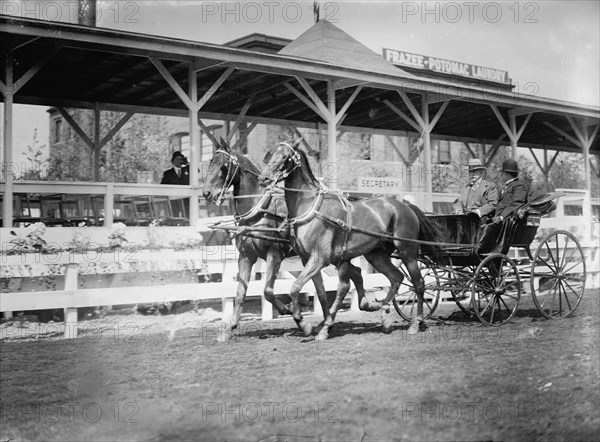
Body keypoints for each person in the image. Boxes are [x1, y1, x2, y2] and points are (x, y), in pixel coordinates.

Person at [478, 159, 529, 253]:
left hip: (507, 220)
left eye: (502, 173)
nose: (500, 175)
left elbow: (517, 203)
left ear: (507, 175)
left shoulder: (519, 186)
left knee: (489, 227)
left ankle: (482, 250)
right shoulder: (506, 187)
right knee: (479, 221)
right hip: (499, 219)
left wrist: (501, 216)